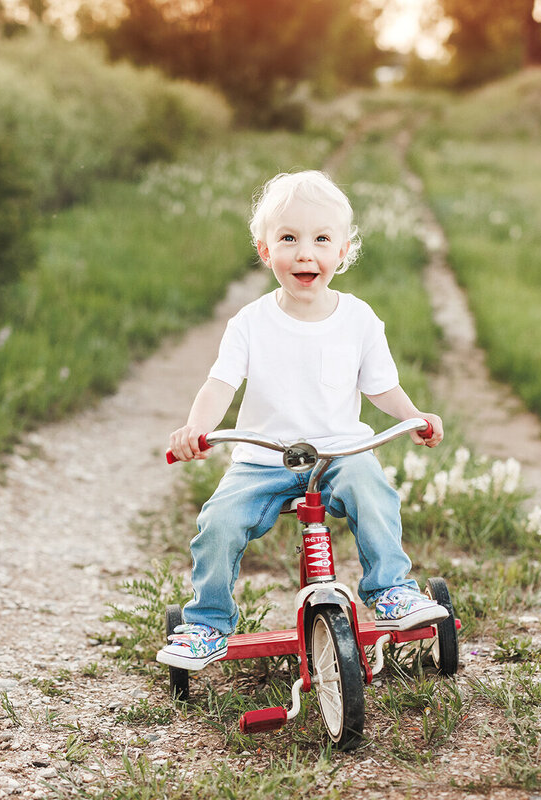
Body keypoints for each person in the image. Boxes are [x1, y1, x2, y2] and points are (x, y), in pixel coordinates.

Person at [158, 170, 448, 671]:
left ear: (343, 251)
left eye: (320, 239)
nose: (304, 253)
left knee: (372, 490)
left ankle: (392, 590)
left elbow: (381, 386)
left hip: (339, 452)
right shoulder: (250, 322)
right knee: (217, 523)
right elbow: (220, 384)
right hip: (262, 457)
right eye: (288, 239)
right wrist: (196, 428)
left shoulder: (359, 320)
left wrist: (413, 416)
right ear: (265, 250)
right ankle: (207, 622)